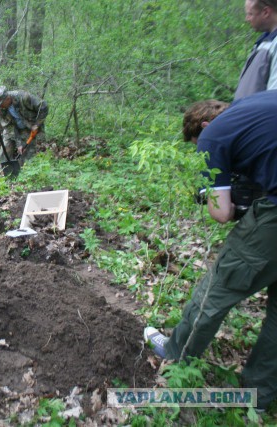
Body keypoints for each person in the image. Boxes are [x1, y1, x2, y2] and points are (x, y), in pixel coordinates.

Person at [144, 90, 277, 412]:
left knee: (218, 288)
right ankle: (260, 395)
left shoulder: (214, 135)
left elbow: (220, 212)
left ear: (203, 125)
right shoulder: (256, 104)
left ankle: (175, 352)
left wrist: (227, 200)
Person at [0, 85, 48, 166]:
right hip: (12, 128)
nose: (0, 106)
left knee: (27, 153)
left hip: (29, 127)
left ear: (7, 98)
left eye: (1, 103)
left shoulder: (24, 97)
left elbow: (43, 106)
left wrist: (37, 124)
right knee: (6, 148)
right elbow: (9, 127)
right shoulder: (0, 109)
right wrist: (19, 144)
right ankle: (4, 170)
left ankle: (24, 171)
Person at [234, 0, 277, 100]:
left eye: (250, 14)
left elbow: (274, 98)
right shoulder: (265, 41)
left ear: (266, 12)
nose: (246, 19)